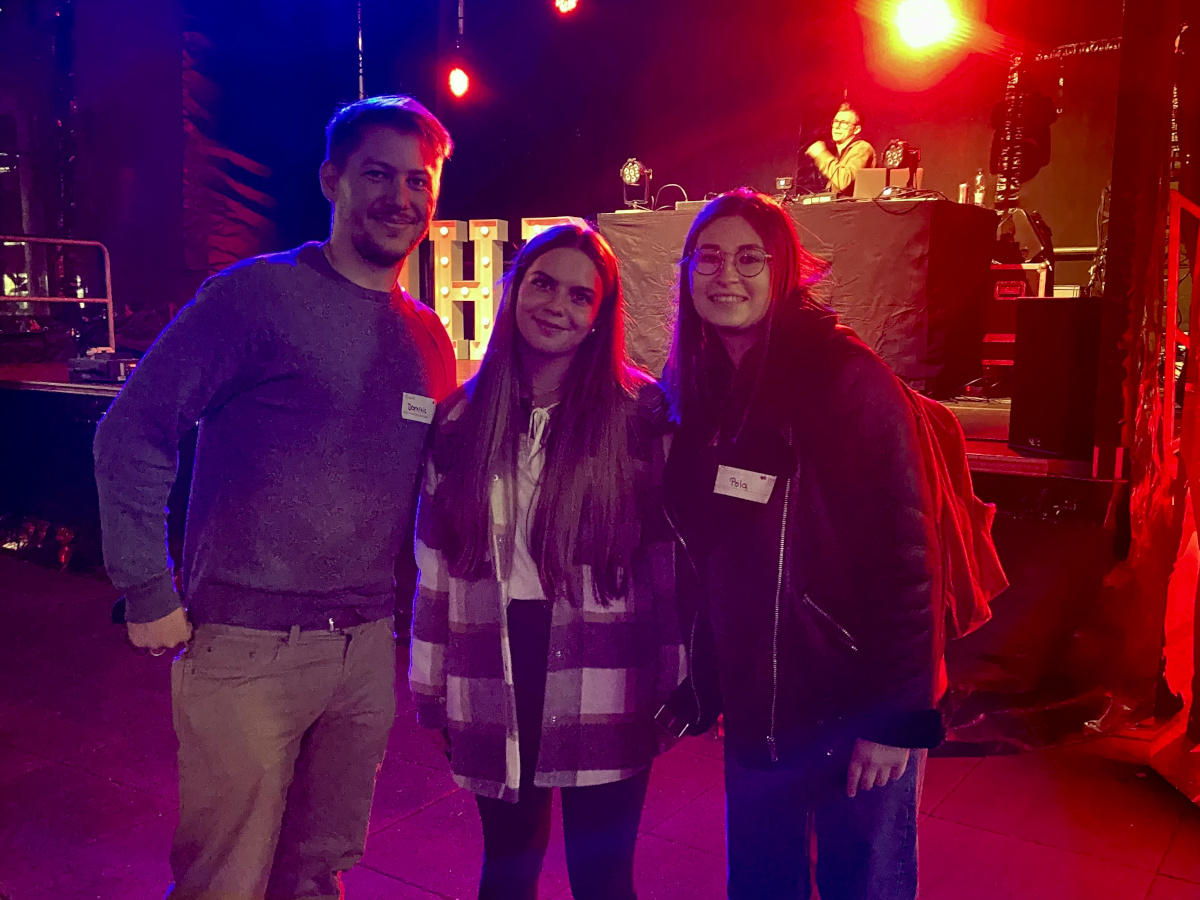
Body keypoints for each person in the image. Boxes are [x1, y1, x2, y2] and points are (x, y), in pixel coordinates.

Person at [93, 95, 457, 899]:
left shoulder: (427, 337)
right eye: (377, 174)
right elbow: (134, 430)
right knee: (225, 882)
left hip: (366, 649)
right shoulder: (256, 296)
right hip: (247, 647)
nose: (400, 197)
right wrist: (146, 587)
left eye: (418, 181)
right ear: (332, 180)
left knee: (316, 874)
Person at [660, 188, 942, 900]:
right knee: (762, 883)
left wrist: (895, 717)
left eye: (749, 258)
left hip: (852, 698)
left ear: (783, 269)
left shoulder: (844, 376)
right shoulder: (706, 386)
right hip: (761, 701)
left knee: (865, 885)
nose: (726, 275)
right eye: (709, 258)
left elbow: (908, 557)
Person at [409, 222, 685, 900]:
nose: (557, 306)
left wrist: (675, 676)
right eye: (543, 284)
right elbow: (435, 563)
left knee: (602, 878)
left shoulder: (640, 412)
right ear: (514, 290)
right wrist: (431, 687)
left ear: (600, 316)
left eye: (580, 296)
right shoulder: (460, 419)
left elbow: (666, 561)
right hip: (491, 659)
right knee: (507, 869)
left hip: (609, 665)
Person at [803, 102, 876, 197]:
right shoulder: (838, 154)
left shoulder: (862, 148)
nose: (837, 127)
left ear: (856, 129)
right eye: (836, 121)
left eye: (844, 123)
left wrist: (821, 154)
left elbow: (845, 181)